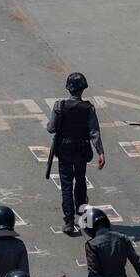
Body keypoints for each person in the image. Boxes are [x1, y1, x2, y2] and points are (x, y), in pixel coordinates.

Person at [47, 72, 104, 235]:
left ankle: (69, 222)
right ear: (82, 90)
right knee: (80, 182)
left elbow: (51, 128)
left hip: (64, 151)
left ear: (68, 88)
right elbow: (94, 132)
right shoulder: (88, 108)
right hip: (81, 151)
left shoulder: (60, 106)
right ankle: (81, 208)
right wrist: (101, 153)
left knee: (66, 185)